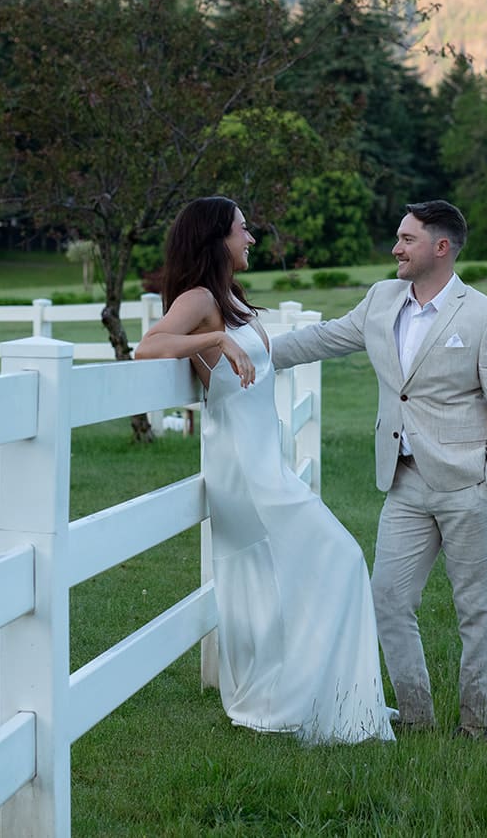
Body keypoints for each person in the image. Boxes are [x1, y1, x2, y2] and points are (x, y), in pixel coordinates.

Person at [134, 196, 394, 745]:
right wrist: (214, 338)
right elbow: (148, 348)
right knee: (342, 558)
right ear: (217, 239)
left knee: (307, 573)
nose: (251, 238)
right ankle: (313, 698)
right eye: (243, 230)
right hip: (244, 474)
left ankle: (328, 691)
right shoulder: (202, 298)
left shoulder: (229, 297)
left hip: (263, 464)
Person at [271, 200, 487, 739]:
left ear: (441, 247)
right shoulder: (382, 299)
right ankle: (415, 716)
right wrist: (249, 349)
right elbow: (325, 338)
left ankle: (476, 726)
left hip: (467, 487)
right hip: (404, 482)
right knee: (387, 600)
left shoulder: (486, 316)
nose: (395, 248)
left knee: (475, 612)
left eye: (407, 239)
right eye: (398, 237)